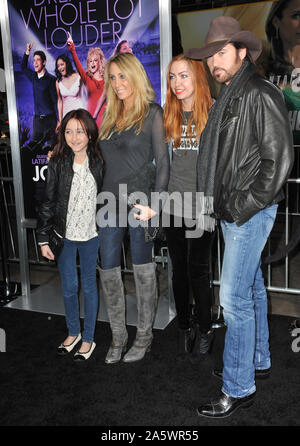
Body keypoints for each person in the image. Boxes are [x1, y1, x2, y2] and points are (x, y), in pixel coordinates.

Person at [185, 16, 294, 418]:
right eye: (210, 54)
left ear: (242, 52)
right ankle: (257, 360)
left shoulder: (258, 92)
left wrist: (242, 206)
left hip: (249, 211)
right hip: (237, 210)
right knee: (250, 289)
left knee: (232, 300)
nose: (214, 60)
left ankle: (238, 385)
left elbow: (279, 160)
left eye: (222, 51)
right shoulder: (233, 91)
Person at [98, 52, 169, 364]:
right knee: (109, 269)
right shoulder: (109, 116)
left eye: (122, 76)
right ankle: (118, 336)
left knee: (143, 270)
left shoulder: (153, 113)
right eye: (112, 78)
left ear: (136, 76)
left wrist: (156, 205)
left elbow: (164, 164)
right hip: (108, 204)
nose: (117, 83)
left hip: (139, 203)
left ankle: (144, 336)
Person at [36, 109, 103, 361]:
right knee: (68, 287)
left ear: (89, 133)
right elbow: (48, 201)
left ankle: (88, 338)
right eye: (68, 131)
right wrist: (43, 238)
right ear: (63, 134)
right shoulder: (56, 162)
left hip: (91, 235)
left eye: (80, 131)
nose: (74, 137)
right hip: (64, 235)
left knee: (89, 286)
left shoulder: (99, 161)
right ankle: (73, 332)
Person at [163, 54, 215, 361]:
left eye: (183, 76)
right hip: (172, 205)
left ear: (196, 77)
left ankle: (206, 327)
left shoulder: (213, 113)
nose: (177, 83)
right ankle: (184, 326)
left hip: (203, 205)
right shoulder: (168, 115)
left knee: (199, 270)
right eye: (172, 77)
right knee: (178, 272)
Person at [67, 33, 106, 128]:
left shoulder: (107, 78)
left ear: (100, 62)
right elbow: (77, 64)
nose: (92, 63)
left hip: (106, 118)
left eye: (95, 60)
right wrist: (72, 47)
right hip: (91, 117)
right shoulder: (86, 78)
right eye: (90, 61)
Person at [21, 43, 58, 146]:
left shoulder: (51, 79)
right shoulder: (33, 77)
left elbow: (55, 101)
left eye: (38, 60)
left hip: (50, 120)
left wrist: (59, 120)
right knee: (35, 148)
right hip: (37, 121)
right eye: (34, 60)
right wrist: (27, 52)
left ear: (44, 62)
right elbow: (23, 67)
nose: (35, 63)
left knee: (52, 148)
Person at [55, 54, 85, 125]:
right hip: (66, 115)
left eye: (62, 64)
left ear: (67, 64)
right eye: (58, 66)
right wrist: (60, 120)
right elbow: (59, 101)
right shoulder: (58, 82)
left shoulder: (78, 77)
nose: (60, 67)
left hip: (79, 114)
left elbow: (84, 97)